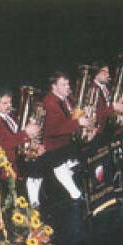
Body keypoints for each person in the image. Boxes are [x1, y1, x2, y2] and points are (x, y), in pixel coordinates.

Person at [0, 88, 45, 205]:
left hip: (18, 161)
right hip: (5, 169)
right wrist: (26, 133)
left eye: (10, 102)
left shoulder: (9, 115)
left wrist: (35, 147)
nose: (9, 106)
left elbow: (17, 136)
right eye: (5, 103)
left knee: (41, 169)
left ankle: (35, 205)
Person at [40, 71, 95, 202]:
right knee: (61, 162)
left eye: (68, 84)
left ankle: (90, 188)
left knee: (93, 148)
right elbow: (54, 129)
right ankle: (76, 195)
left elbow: (74, 114)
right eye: (63, 85)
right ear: (54, 87)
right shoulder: (48, 103)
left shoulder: (68, 97)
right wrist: (78, 122)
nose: (68, 87)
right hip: (55, 146)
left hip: (68, 141)